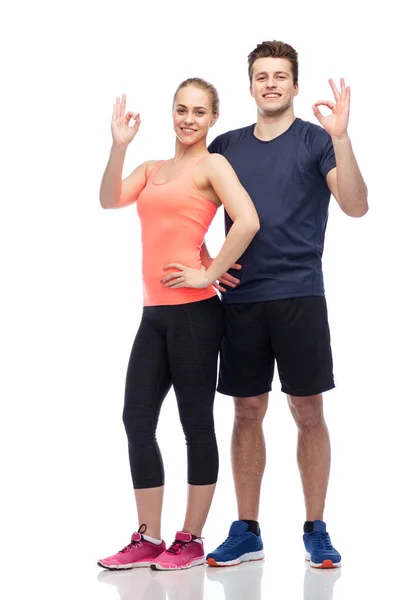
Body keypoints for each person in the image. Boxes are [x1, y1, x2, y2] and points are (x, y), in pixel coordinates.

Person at [204, 41, 368, 569]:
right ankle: (247, 529)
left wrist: (342, 139)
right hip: (242, 299)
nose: (270, 83)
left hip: (300, 293)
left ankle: (315, 527)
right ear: (250, 85)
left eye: (280, 76)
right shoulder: (226, 145)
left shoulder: (316, 140)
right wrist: (206, 259)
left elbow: (356, 205)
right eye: (261, 76)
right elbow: (185, 205)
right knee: (246, 410)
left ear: (295, 85)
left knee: (308, 410)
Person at [97, 78, 260, 571]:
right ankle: (148, 537)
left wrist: (208, 273)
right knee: (137, 418)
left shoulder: (213, 165)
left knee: (195, 424)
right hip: (153, 314)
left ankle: (190, 540)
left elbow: (247, 220)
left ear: (213, 118)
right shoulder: (151, 170)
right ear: (173, 113)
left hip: (194, 314)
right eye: (181, 109)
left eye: (199, 112)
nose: (188, 119)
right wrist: (118, 147)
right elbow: (108, 199)